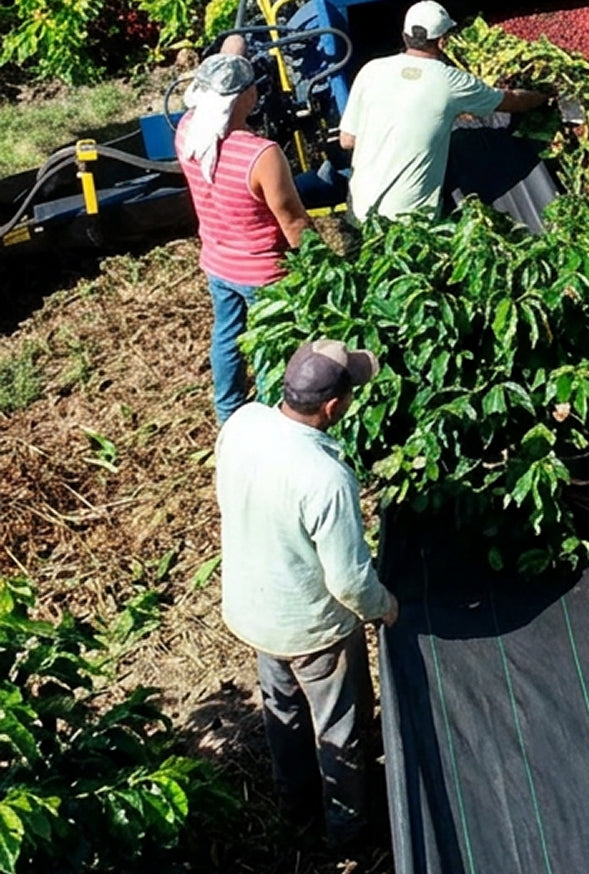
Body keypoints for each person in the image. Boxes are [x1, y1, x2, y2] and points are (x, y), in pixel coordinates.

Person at [215, 338, 399, 848]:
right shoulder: (324, 476)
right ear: (334, 406)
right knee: (340, 731)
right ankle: (349, 834)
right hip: (312, 629)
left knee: (283, 713)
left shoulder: (244, 423)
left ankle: (294, 807)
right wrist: (385, 608)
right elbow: (348, 581)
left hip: (255, 611)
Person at [176, 45, 312, 423]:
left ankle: (228, 411)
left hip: (218, 261)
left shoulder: (188, 130)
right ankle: (273, 420)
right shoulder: (261, 155)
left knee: (227, 335)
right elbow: (293, 221)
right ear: (248, 96)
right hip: (263, 274)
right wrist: (321, 267)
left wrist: (230, 52)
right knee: (271, 343)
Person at [338, 0, 550, 222]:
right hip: (411, 218)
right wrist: (544, 95)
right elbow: (512, 102)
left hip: (360, 206)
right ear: (443, 41)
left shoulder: (371, 70)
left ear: (404, 35)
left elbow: (347, 141)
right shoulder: (450, 80)